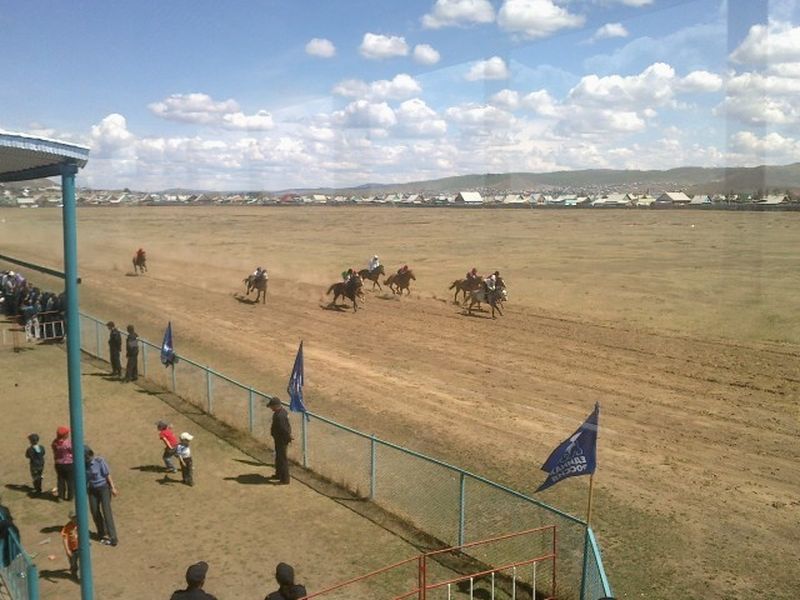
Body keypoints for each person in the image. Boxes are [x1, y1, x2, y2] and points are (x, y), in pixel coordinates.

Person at [84, 446, 119, 546]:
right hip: (92, 489)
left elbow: (107, 475)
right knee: (94, 511)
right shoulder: (83, 465)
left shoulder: (99, 461)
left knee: (106, 511)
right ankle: (102, 532)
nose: (89, 458)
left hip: (103, 488)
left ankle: (113, 537)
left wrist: (113, 488)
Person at [268, 398, 292, 485]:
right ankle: (278, 474)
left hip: (281, 440)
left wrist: (288, 437)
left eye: (271, 406)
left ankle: (285, 479)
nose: (271, 408)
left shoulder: (280, 416)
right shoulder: (282, 412)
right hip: (279, 438)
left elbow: (284, 429)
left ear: (275, 406)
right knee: (279, 457)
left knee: (282, 459)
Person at [51, 426, 74, 501]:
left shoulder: (55, 442)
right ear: (65, 435)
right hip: (68, 463)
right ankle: (70, 496)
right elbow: (72, 451)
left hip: (58, 463)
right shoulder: (67, 443)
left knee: (61, 480)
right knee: (70, 480)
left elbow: (54, 450)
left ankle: (61, 496)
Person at [61, 512, 79, 580]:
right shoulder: (67, 527)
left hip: (80, 547)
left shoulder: (81, 524)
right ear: (70, 519)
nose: (75, 520)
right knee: (73, 563)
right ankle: (74, 574)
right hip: (72, 549)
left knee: (83, 561)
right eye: (73, 518)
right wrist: (67, 550)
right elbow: (65, 539)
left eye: (76, 518)